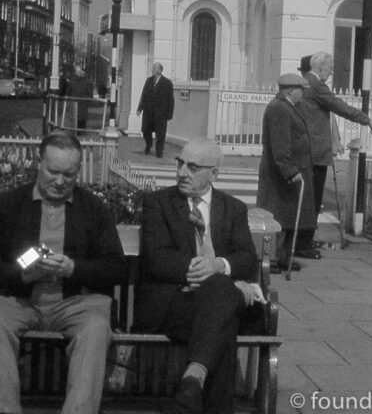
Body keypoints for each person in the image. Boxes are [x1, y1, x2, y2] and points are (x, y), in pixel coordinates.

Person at [133, 139, 265, 414]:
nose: (182, 173)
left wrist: (218, 265)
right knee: (223, 317)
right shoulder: (158, 203)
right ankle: (199, 383)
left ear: (214, 173)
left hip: (212, 308)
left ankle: (194, 380)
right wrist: (223, 283)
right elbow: (157, 259)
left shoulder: (234, 209)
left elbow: (246, 259)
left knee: (219, 308)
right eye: (180, 163)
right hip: (174, 304)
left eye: (192, 167)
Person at [0, 131, 127, 414]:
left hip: (76, 304)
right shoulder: (9, 204)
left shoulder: (94, 208)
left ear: (79, 170)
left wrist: (74, 269)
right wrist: (22, 276)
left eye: (69, 174)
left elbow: (116, 267)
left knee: (95, 329)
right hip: (19, 301)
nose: (60, 181)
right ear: (38, 163)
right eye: (53, 172)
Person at [297, 51, 372, 257]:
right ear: (319, 68)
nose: (332, 71)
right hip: (315, 153)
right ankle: (304, 245)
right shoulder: (316, 85)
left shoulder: (306, 83)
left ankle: (304, 242)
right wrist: (367, 120)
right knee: (313, 200)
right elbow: (340, 107)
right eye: (330, 67)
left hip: (310, 151)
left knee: (308, 199)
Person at [257, 73, 315, 272]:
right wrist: (290, 171)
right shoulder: (279, 109)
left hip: (289, 172)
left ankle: (283, 257)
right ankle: (271, 259)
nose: (303, 94)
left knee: (288, 217)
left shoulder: (288, 107)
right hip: (279, 174)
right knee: (277, 217)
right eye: (302, 90)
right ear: (291, 90)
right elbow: (280, 145)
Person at [137, 63, 175, 158]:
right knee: (146, 130)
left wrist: (169, 114)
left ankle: (159, 151)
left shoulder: (167, 83)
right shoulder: (149, 81)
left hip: (161, 114)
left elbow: (171, 100)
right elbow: (144, 95)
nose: (152, 70)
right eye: (152, 68)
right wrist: (139, 108)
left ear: (159, 70)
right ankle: (148, 144)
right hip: (148, 112)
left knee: (160, 134)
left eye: (154, 68)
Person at [67, 65, 93, 132]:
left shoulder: (72, 81)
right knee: (81, 117)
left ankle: (76, 130)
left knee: (75, 117)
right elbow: (90, 92)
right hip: (82, 102)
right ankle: (80, 131)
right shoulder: (87, 81)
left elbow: (68, 92)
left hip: (76, 102)